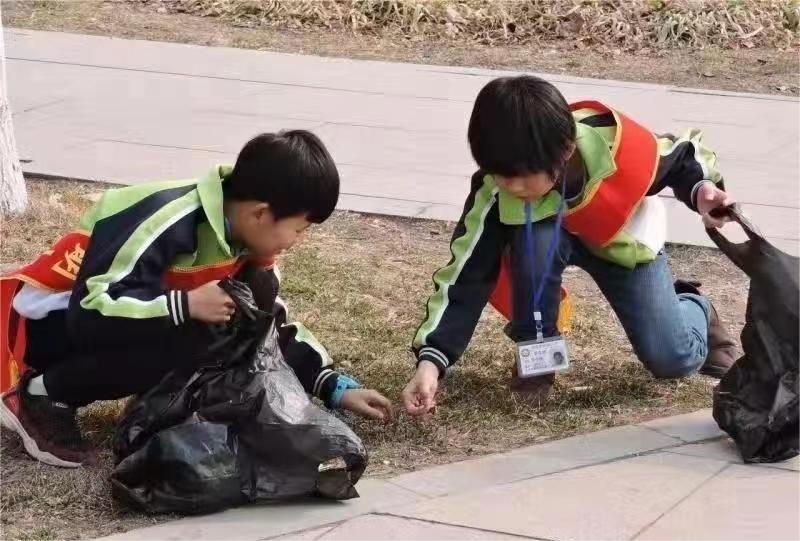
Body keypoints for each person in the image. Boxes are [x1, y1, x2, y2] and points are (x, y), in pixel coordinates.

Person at [0, 130, 393, 468]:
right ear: (260, 214)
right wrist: (183, 305)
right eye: (300, 229)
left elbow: (265, 329)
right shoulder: (166, 217)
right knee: (192, 332)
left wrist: (334, 386)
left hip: (111, 319)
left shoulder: (245, 247)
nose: (298, 242)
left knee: (224, 324)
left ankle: (149, 395)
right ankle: (42, 395)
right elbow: (89, 310)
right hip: (48, 327)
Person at [402, 75, 738, 417]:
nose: (511, 186)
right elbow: (465, 274)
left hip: (620, 239)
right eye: (500, 174)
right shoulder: (494, 190)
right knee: (535, 242)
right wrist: (431, 361)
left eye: (520, 174)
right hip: (545, 243)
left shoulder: (618, 144)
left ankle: (696, 307)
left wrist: (702, 190)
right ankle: (539, 361)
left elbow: (681, 157)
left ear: (565, 150)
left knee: (672, 359)